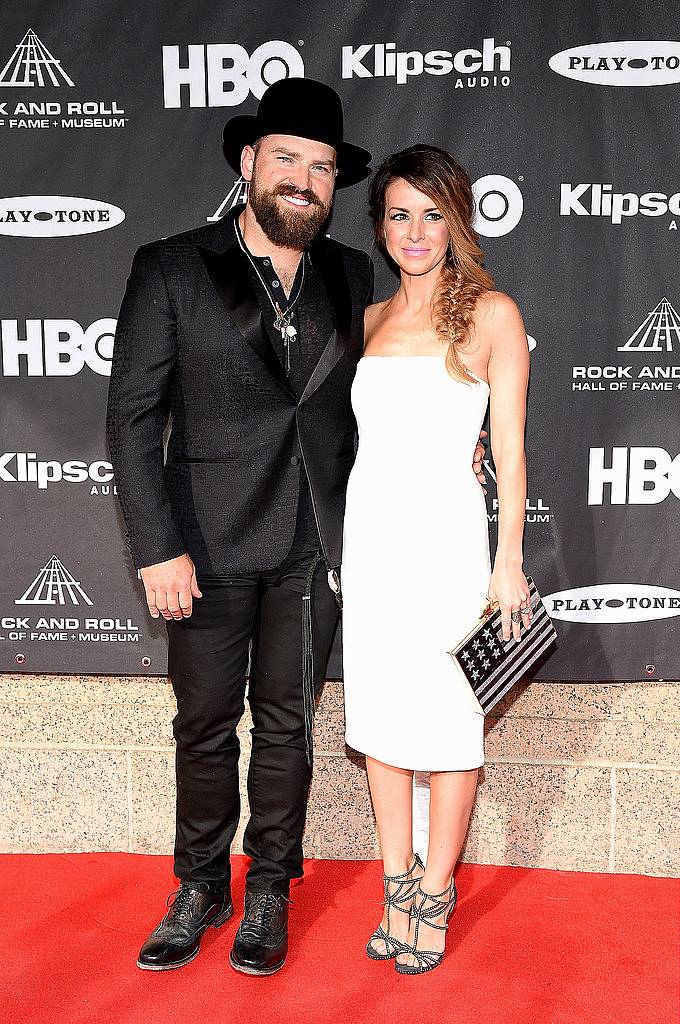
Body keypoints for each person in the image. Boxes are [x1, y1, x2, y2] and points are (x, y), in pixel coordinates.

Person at [107, 79, 486, 978]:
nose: (304, 180)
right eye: (287, 159)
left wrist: (464, 450)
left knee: (289, 728)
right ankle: (199, 883)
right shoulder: (171, 266)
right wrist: (156, 544)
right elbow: (131, 417)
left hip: (317, 544)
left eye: (321, 168)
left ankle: (272, 882)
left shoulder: (357, 275)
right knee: (203, 725)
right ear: (249, 164)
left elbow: (420, 380)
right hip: (200, 546)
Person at [341, 145, 532, 975]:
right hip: (373, 545)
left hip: (452, 545)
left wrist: (508, 561)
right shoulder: (370, 321)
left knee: (452, 728)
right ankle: (395, 881)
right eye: (398, 214)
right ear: (380, 227)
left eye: (431, 213)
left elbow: (514, 455)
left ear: (456, 222)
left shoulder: (493, 315)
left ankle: (437, 890)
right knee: (380, 722)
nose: (415, 231)